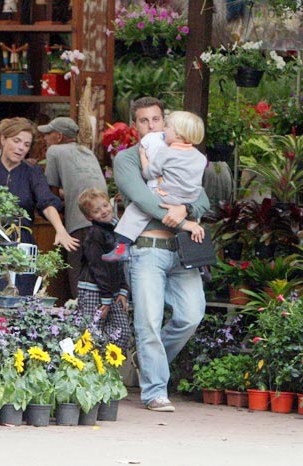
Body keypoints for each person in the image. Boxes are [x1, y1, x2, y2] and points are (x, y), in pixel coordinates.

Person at [113, 97, 210, 412]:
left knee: (191, 315)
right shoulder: (128, 158)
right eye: (145, 121)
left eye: (158, 120)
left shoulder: (186, 154)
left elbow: (204, 200)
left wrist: (186, 207)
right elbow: (142, 199)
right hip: (148, 250)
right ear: (135, 125)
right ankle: (155, 391)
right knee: (149, 322)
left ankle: (148, 360)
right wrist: (184, 218)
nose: (153, 126)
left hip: (182, 252)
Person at [102, 111, 206, 262]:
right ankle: (200, 263)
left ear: (178, 134)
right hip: (189, 197)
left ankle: (122, 246)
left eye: (167, 127)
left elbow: (149, 173)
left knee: (135, 211)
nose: (163, 129)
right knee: (194, 226)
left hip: (167, 195)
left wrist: (144, 156)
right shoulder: (200, 157)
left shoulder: (166, 152)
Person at [0, 117, 78, 251]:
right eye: (16, 141)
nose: (21, 148)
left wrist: (60, 230)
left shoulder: (32, 172)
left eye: (26, 144)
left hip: (21, 242)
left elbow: (46, 201)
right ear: (3, 140)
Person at [41, 116, 108, 298]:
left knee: (78, 277)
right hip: (106, 223)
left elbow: (51, 192)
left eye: (48, 133)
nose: (45, 138)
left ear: (59, 136)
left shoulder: (55, 151)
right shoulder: (87, 152)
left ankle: (82, 321)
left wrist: (58, 213)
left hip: (80, 223)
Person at [76, 188, 130, 349]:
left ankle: (106, 364)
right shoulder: (94, 235)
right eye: (96, 210)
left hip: (112, 291)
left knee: (122, 332)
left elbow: (120, 262)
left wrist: (123, 289)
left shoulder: (118, 230)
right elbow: (98, 268)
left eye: (105, 206)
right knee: (91, 332)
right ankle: (91, 366)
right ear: (89, 216)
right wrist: (106, 298)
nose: (104, 211)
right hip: (94, 288)